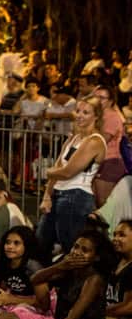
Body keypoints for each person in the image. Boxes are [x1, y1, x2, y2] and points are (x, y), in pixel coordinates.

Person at [0, 228, 115, 319]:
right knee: (3, 318)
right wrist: (60, 266)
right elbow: (35, 280)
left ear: (96, 257)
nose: (77, 252)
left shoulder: (94, 279)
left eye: (85, 250)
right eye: (75, 247)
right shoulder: (67, 268)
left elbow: (73, 318)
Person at [37, 96, 107, 261]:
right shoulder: (73, 137)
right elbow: (59, 165)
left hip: (77, 197)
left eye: (86, 112)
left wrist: (48, 172)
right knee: (41, 243)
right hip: (57, 194)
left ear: (96, 116)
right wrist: (47, 196)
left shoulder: (95, 141)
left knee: (71, 248)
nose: (80, 115)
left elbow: (67, 172)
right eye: (78, 111)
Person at [91, 84, 126, 206]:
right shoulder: (97, 116)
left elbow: (102, 139)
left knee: (104, 203)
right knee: (95, 202)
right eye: (95, 97)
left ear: (111, 101)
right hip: (98, 161)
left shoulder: (112, 117)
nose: (97, 100)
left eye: (101, 98)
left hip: (110, 161)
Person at [102, 220, 132, 319]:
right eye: (114, 235)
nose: (116, 239)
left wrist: (99, 313)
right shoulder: (115, 261)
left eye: (122, 235)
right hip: (116, 317)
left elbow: (129, 307)